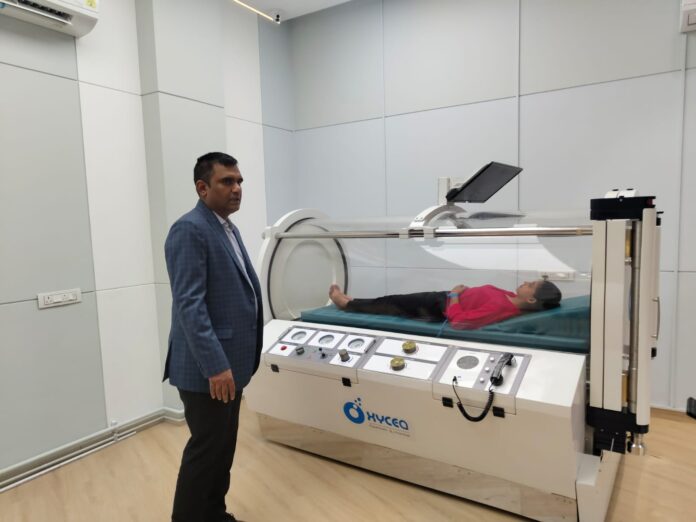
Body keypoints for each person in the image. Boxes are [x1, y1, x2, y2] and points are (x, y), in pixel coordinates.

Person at [163, 152, 263, 522]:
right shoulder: (189, 230)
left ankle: (213, 514)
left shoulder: (226, 228)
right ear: (202, 188)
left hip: (231, 366)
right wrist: (216, 366)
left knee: (222, 450)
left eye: (239, 181)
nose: (237, 189)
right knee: (206, 451)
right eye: (227, 181)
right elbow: (190, 306)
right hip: (208, 371)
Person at [329, 279, 561, 330]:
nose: (526, 282)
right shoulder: (510, 296)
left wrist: (455, 295)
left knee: (392, 303)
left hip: (439, 306)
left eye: (531, 285)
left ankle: (345, 304)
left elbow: (459, 322)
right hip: (444, 298)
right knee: (392, 301)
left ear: (531, 299)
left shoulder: (503, 309)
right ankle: (352, 302)